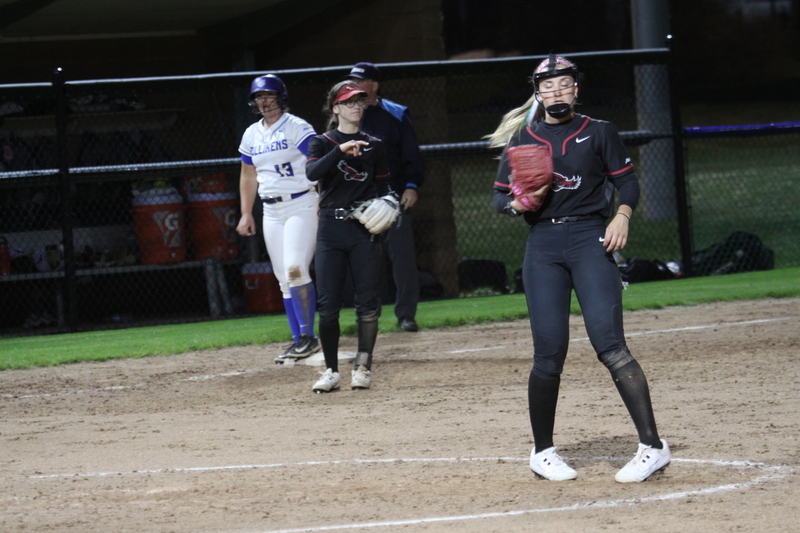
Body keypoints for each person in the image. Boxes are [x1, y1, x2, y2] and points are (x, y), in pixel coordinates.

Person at [489, 55, 671, 483]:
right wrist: (519, 204)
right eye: (547, 86)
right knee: (548, 354)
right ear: (538, 92)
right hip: (544, 248)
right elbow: (500, 201)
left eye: (563, 84)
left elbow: (627, 181)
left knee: (610, 345)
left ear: (575, 89)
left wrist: (622, 215)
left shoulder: (599, 131)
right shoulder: (522, 138)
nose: (556, 91)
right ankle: (542, 451)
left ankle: (652, 446)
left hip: (592, 239)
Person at [305, 81, 394, 393]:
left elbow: (384, 187)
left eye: (360, 101)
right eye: (349, 102)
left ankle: (363, 367)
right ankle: (330, 371)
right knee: (328, 305)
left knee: (367, 303)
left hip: (362, 230)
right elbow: (313, 173)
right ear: (336, 108)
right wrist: (339, 150)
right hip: (330, 228)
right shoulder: (321, 142)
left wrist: (390, 203)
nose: (356, 106)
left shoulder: (375, 145)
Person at [236, 74, 321, 364]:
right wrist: (246, 212)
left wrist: (323, 198)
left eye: (270, 95)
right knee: (284, 278)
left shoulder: (296, 127)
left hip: (302, 203)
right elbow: (248, 174)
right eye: (259, 97)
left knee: (296, 269)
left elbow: (317, 162)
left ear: (281, 97)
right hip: (271, 210)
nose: (264, 101)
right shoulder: (251, 133)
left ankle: (309, 337)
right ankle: (299, 341)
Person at [344, 62, 424, 333]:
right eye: (352, 82)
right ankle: (368, 315)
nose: (354, 86)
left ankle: (406, 315)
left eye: (360, 81)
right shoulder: (346, 114)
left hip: (392, 195)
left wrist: (411, 186)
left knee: (402, 259)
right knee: (364, 260)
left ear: (374, 85)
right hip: (359, 198)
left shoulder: (396, 113)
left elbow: (411, 154)